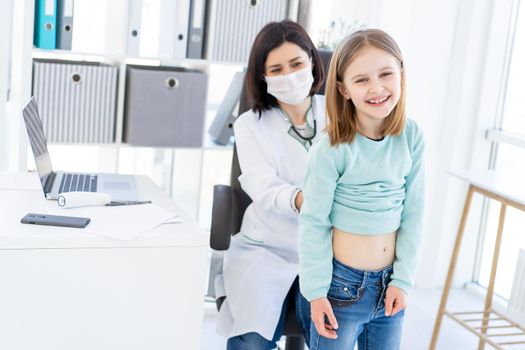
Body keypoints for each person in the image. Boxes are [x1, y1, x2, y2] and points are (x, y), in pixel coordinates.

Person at [298, 29, 425, 350]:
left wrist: (403, 281)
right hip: (341, 288)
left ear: (401, 75)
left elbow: (414, 215)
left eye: (386, 74)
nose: (377, 88)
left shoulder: (411, 136)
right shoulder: (331, 148)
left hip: (390, 286)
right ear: (343, 89)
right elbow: (313, 222)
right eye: (362, 80)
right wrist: (315, 293)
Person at [214, 20, 326, 349]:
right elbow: (262, 185)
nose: (289, 76)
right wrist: (305, 200)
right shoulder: (251, 124)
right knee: (251, 339)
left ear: (312, 62)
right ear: (263, 77)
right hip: (264, 250)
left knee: (331, 333)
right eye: (276, 69)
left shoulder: (339, 113)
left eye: (296, 64)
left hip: (325, 253)